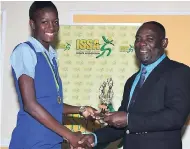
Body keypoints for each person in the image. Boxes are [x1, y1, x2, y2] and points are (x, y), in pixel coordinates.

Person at [78, 21, 190, 149]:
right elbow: (122, 126)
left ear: (164, 43)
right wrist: (95, 137)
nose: (142, 43)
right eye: (138, 39)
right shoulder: (132, 80)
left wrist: (129, 119)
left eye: (149, 38)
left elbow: (175, 117)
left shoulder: (179, 72)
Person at [9, 1, 98, 149]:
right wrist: (70, 135)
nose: (51, 27)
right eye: (44, 22)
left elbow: (51, 104)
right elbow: (30, 105)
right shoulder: (25, 51)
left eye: (55, 21)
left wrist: (81, 109)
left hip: (51, 143)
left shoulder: (51, 56)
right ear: (32, 24)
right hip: (31, 143)